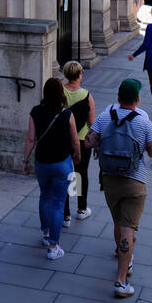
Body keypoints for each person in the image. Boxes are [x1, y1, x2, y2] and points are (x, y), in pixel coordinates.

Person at [86, 76, 152, 298]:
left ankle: (125, 260)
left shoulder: (104, 116)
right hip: (134, 182)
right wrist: (145, 147)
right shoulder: (143, 121)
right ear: (138, 99)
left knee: (118, 223)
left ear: (118, 97)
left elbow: (88, 142)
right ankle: (121, 281)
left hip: (110, 180)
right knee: (128, 229)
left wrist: (101, 141)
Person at [23, 76, 81, 262]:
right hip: (61, 163)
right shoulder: (67, 114)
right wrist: (77, 155)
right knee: (57, 203)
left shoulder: (35, 112)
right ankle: (54, 247)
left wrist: (25, 160)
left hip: (42, 162)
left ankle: (46, 234)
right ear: (60, 93)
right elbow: (74, 139)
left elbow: (31, 139)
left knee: (44, 197)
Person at [62, 60, 95, 224]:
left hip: (63, 139)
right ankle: (82, 209)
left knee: (66, 174)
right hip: (81, 140)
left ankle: (65, 214)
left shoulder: (60, 92)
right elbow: (91, 122)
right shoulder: (87, 95)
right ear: (79, 75)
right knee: (80, 173)